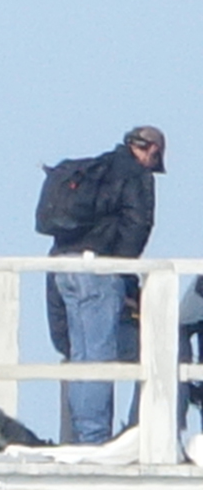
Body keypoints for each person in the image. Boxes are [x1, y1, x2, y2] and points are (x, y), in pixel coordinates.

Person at [47, 125, 166, 443]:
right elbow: (137, 228)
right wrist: (123, 276)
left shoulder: (95, 168)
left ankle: (82, 437)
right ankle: (97, 440)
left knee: (81, 355)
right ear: (152, 151)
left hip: (62, 267)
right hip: (97, 272)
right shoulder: (137, 176)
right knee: (100, 355)